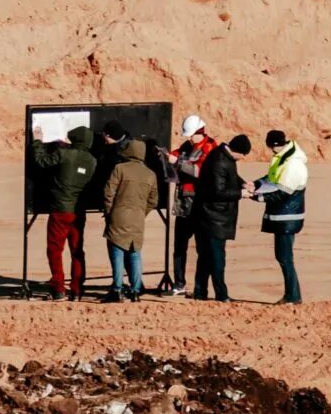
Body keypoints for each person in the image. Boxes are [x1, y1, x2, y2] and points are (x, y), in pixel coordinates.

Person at [29, 122, 97, 300]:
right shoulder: (92, 160)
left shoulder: (64, 154)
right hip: (78, 211)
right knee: (77, 250)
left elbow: (41, 161)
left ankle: (58, 287)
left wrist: (37, 142)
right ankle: (77, 289)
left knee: (54, 249)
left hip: (60, 209)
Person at [190, 132, 252, 301]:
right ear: (237, 151)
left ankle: (200, 292)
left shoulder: (223, 156)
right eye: (243, 155)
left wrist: (242, 183)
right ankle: (221, 294)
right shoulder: (220, 161)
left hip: (210, 216)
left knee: (206, 256)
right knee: (216, 257)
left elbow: (229, 177)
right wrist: (241, 193)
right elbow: (218, 191)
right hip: (214, 217)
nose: (243, 158)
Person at [253, 128, 310, 304]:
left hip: (287, 217)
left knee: (285, 257)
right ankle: (292, 295)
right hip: (283, 216)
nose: (271, 151)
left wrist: (257, 196)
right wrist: (255, 184)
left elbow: (282, 193)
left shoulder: (293, 164)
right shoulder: (283, 158)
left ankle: (293, 296)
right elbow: (272, 178)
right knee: (283, 256)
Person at [99, 135, 159, 302]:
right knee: (134, 253)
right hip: (138, 219)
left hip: (119, 216)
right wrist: (142, 212)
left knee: (117, 251)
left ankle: (117, 289)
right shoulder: (150, 174)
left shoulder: (120, 168)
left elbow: (108, 192)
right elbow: (153, 200)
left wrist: (110, 211)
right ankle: (135, 290)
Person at [166, 116, 216, 295]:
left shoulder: (210, 148)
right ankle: (179, 284)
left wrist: (177, 163)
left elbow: (199, 171)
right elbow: (176, 154)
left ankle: (200, 287)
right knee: (179, 246)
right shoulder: (188, 147)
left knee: (202, 248)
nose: (189, 139)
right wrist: (167, 156)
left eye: (191, 135)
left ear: (200, 132)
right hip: (183, 203)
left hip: (200, 204)